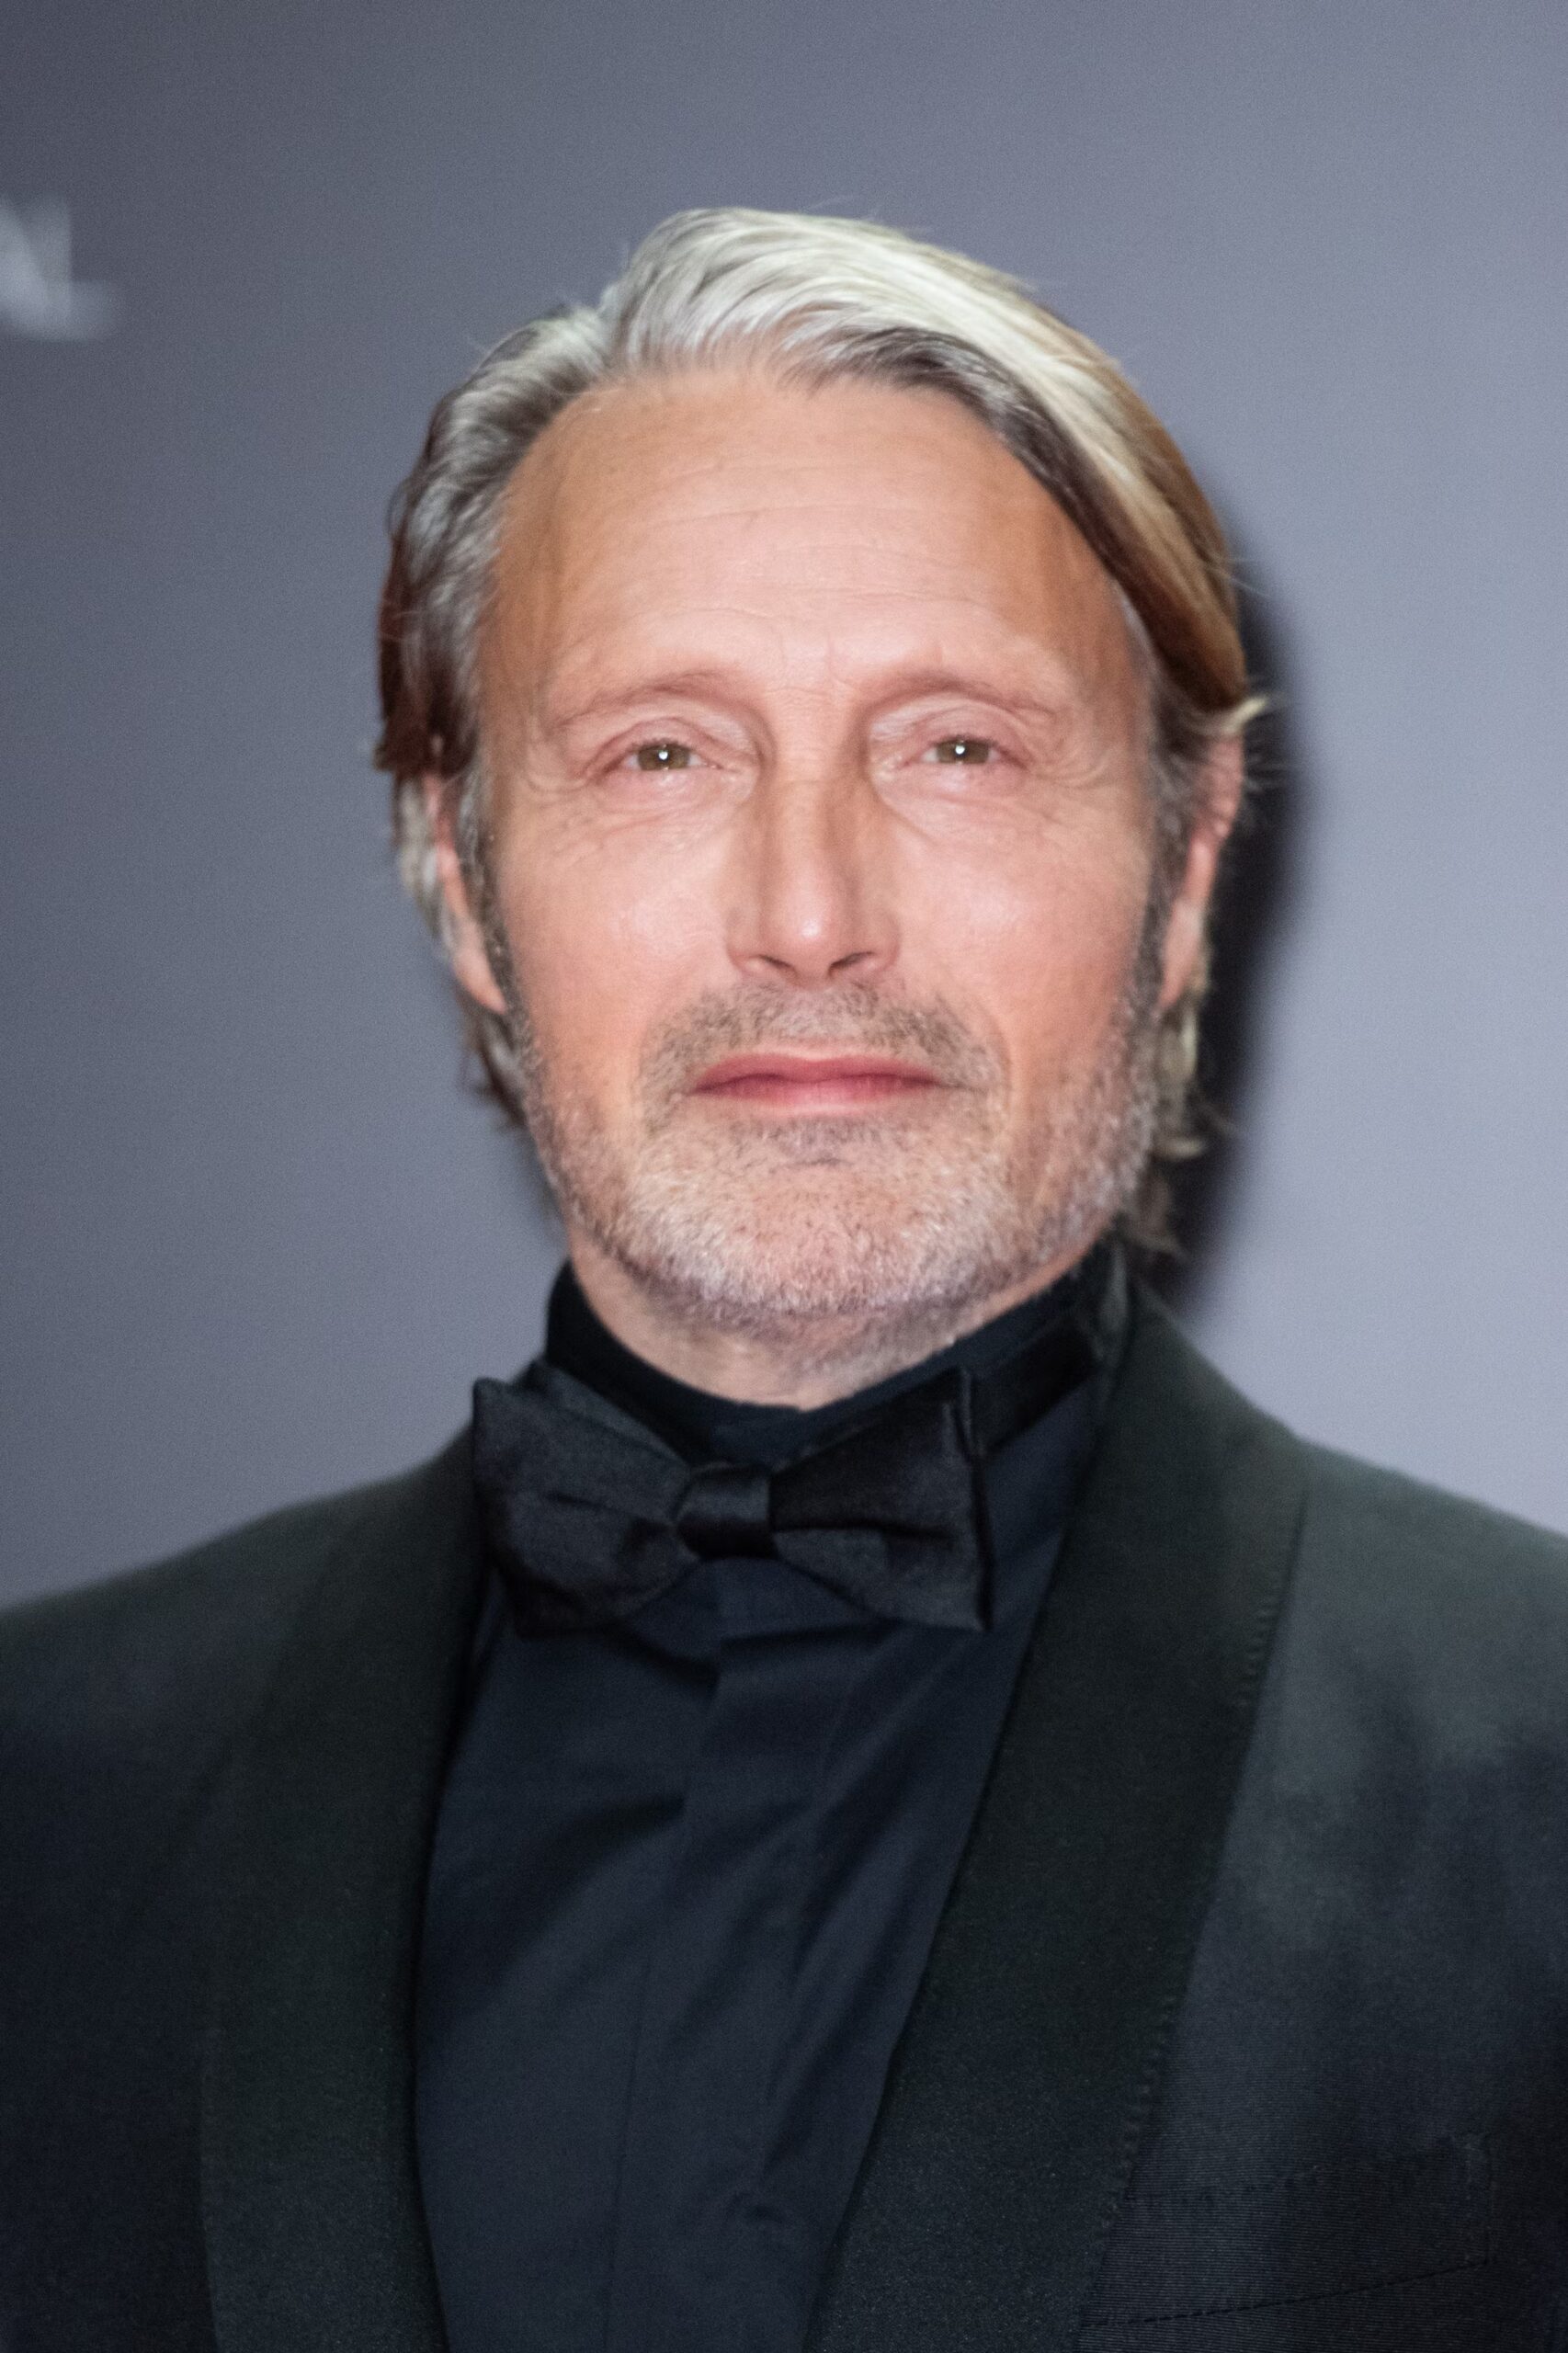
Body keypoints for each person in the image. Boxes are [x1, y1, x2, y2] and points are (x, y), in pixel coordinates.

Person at [2, 208, 1565, 2353]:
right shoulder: (38, 1796)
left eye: (954, 746)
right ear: (459, 875)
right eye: (663, 751)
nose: (810, 911)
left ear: (1186, 865)